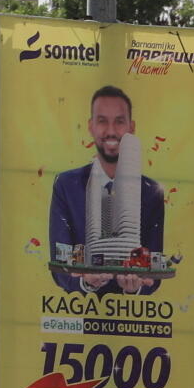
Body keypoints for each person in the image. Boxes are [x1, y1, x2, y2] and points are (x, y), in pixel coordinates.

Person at [48, 84, 166, 295]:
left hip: (132, 319)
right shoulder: (67, 185)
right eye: (102, 121)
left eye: (119, 121)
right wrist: (85, 283)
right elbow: (60, 263)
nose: (111, 131)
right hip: (77, 317)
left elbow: (154, 267)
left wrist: (136, 287)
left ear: (132, 128)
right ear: (91, 126)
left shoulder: (151, 192)